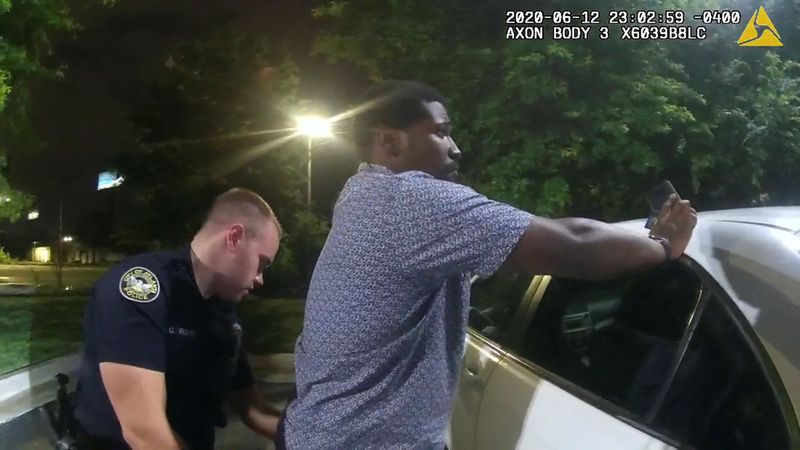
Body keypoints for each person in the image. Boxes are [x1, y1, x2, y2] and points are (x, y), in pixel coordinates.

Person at [277, 81, 698, 449]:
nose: (455, 148)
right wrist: (663, 245)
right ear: (391, 142)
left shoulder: (362, 195)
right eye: (441, 133)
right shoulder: (406, 202)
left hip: (321, 433)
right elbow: (575, 245)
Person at [72, 188, 283, 450]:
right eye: (261, 263)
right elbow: (145, 433)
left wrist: (319, 437)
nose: (260, 279)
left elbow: (252, 409)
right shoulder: (143, 288)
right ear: (235, 237)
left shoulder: (222, 312)